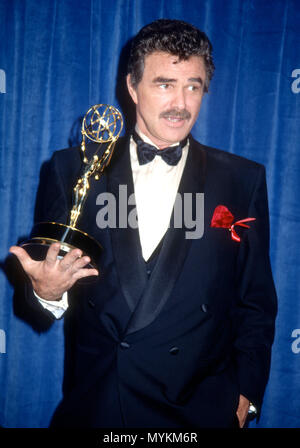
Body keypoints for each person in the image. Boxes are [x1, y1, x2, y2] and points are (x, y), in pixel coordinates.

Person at [9, 19, 277, 428]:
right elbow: (45, 290)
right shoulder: (73, 169)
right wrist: (46, 292)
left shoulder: (241, 180)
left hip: (201, 410)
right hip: (102, 406)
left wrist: (245, 398)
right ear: (132, 88)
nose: (181, 103)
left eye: (193, 85)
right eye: (165, 84)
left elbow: (255, 300)